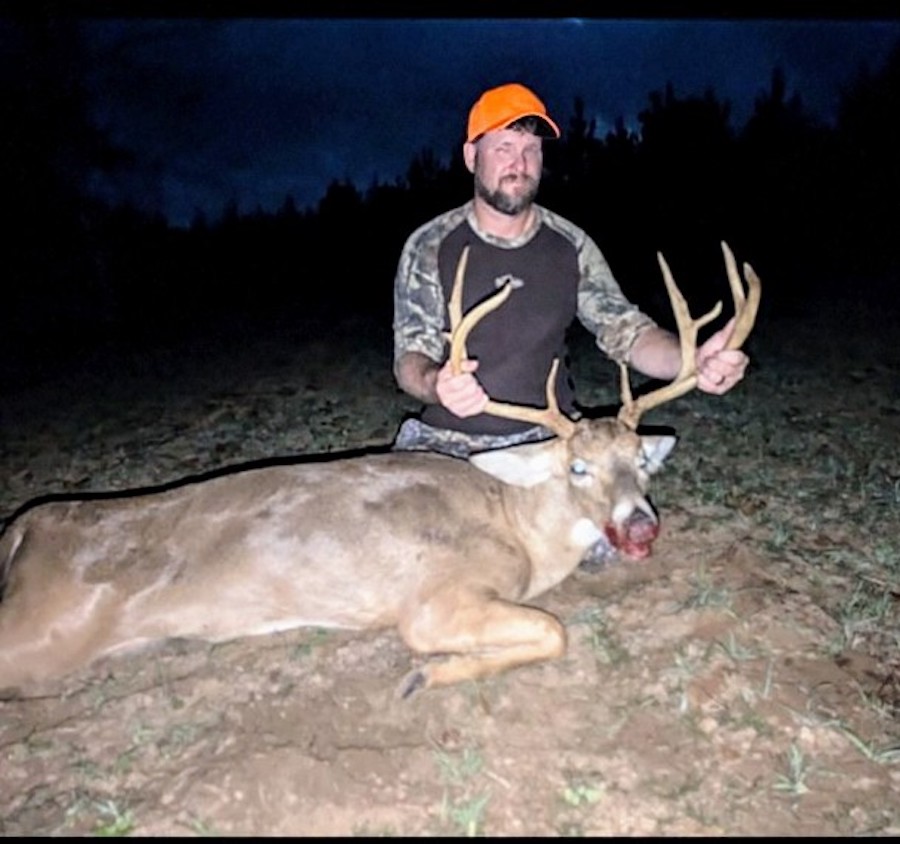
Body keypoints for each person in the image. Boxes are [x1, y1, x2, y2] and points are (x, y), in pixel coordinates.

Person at [392, 82, 749, 459]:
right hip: (448, 442)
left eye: (531, 149)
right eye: (504, 148)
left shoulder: (570, 245)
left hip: (549, 442)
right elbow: (410, 359)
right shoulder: (431, 245)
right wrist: (436, 382)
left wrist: (692, 361)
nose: (519, 164)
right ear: (471, 156)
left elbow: (625, 331)